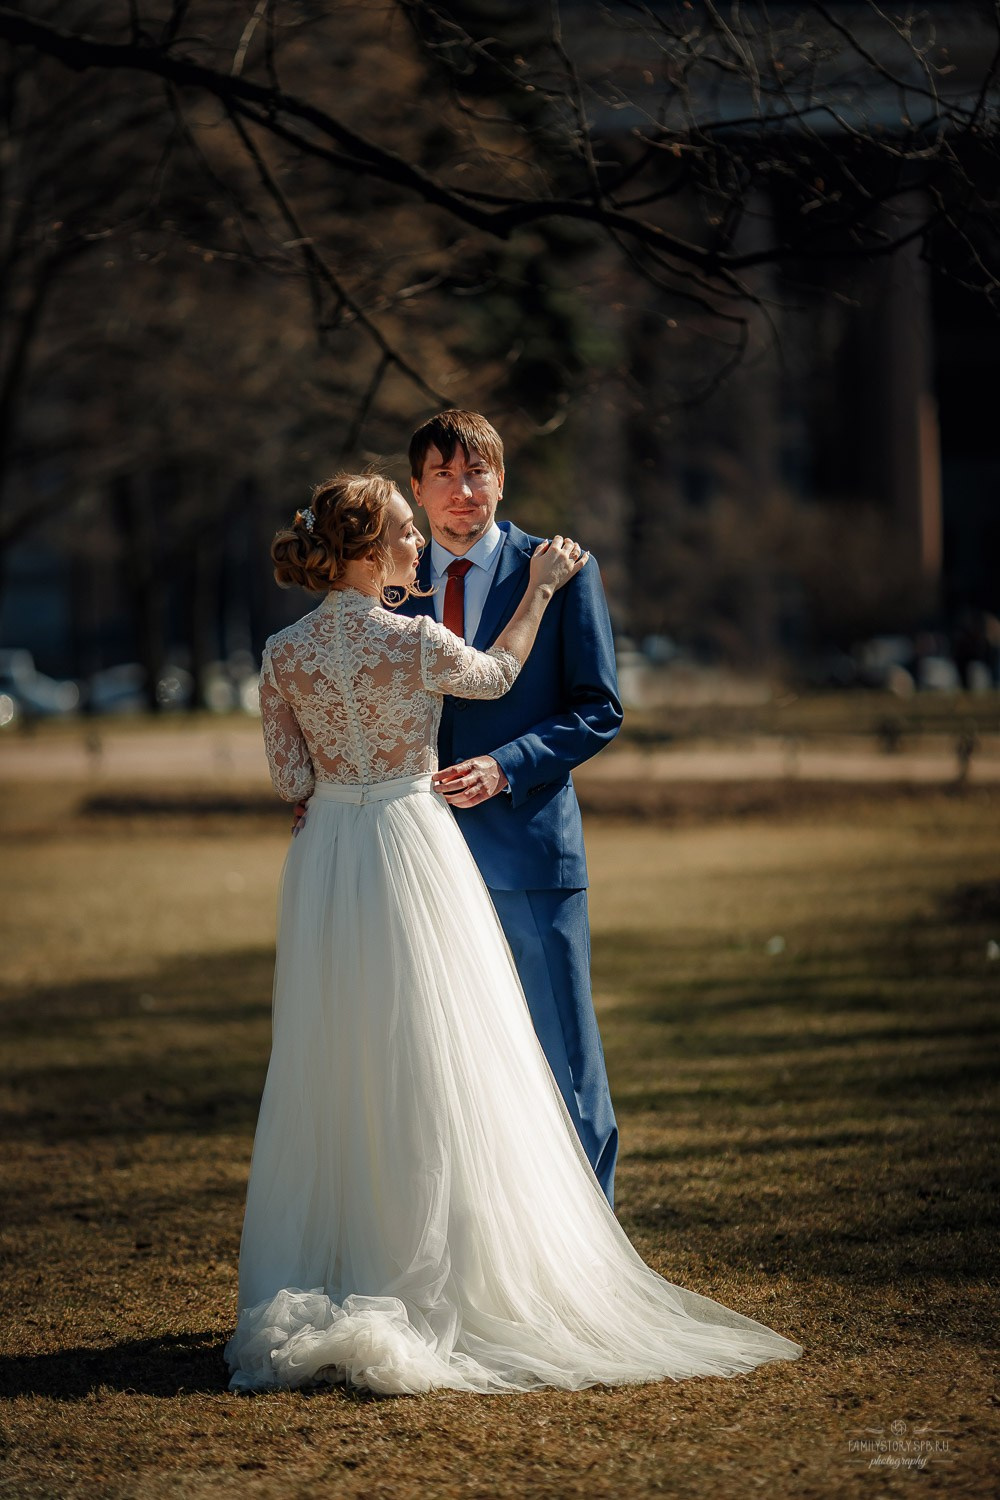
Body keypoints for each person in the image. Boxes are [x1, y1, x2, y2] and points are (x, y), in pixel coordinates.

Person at [223, 470, 802, 1395]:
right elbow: (496, 676)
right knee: (440, 1047)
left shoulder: (283, 651)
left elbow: (289, 778)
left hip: (329, 857)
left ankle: (340, 1260)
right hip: (412, 844)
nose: (421, 547)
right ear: (371, 548)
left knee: (337, 1053)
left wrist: (332, 794)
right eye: (408, 534)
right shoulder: (413, 639)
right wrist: (536, 591)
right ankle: (437, 1263)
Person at [399, 409, 622, 1205]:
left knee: (563, 1059)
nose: (465, 491)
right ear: (417, 489)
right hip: (415, 859)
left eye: (479, 472)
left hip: (531, 854)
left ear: (502, 477)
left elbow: (599, 706)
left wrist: (506, 765)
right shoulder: (389, 577)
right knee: (441, 1067)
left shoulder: (561, 570)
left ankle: (592, 1252)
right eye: (445, 475)